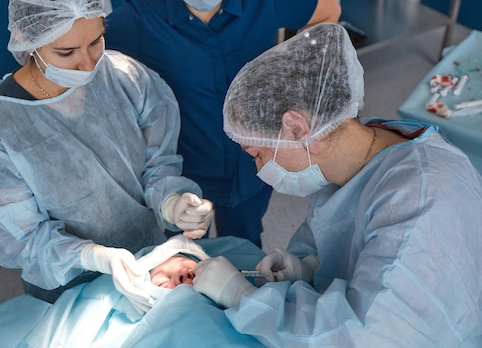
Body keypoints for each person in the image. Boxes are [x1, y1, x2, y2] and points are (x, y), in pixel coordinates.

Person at [192, 23, 482, 346]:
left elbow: (362, 335)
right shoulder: (355, 150)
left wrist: (242, 297)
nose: (260, 168)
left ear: (297, 128)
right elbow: (338, 232)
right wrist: (308, 266)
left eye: (258, 154)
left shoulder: (416, 205)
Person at [0, 0, 214, 312]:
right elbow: (24, 239)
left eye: (96, 41)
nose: (88, 63)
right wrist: (94, 257)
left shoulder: (125, 76)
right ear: (27, 40)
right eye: (66, 51)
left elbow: (157, 165)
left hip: (149, 259)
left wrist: (172, 202)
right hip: (67, 284)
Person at [104, 0, 341, 247]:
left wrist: (294, 72)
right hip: (185, 166)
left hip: (253, 159)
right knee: (180, 256)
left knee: (242, 245)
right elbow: (87, 59)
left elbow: (328, 10)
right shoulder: (142, 19)